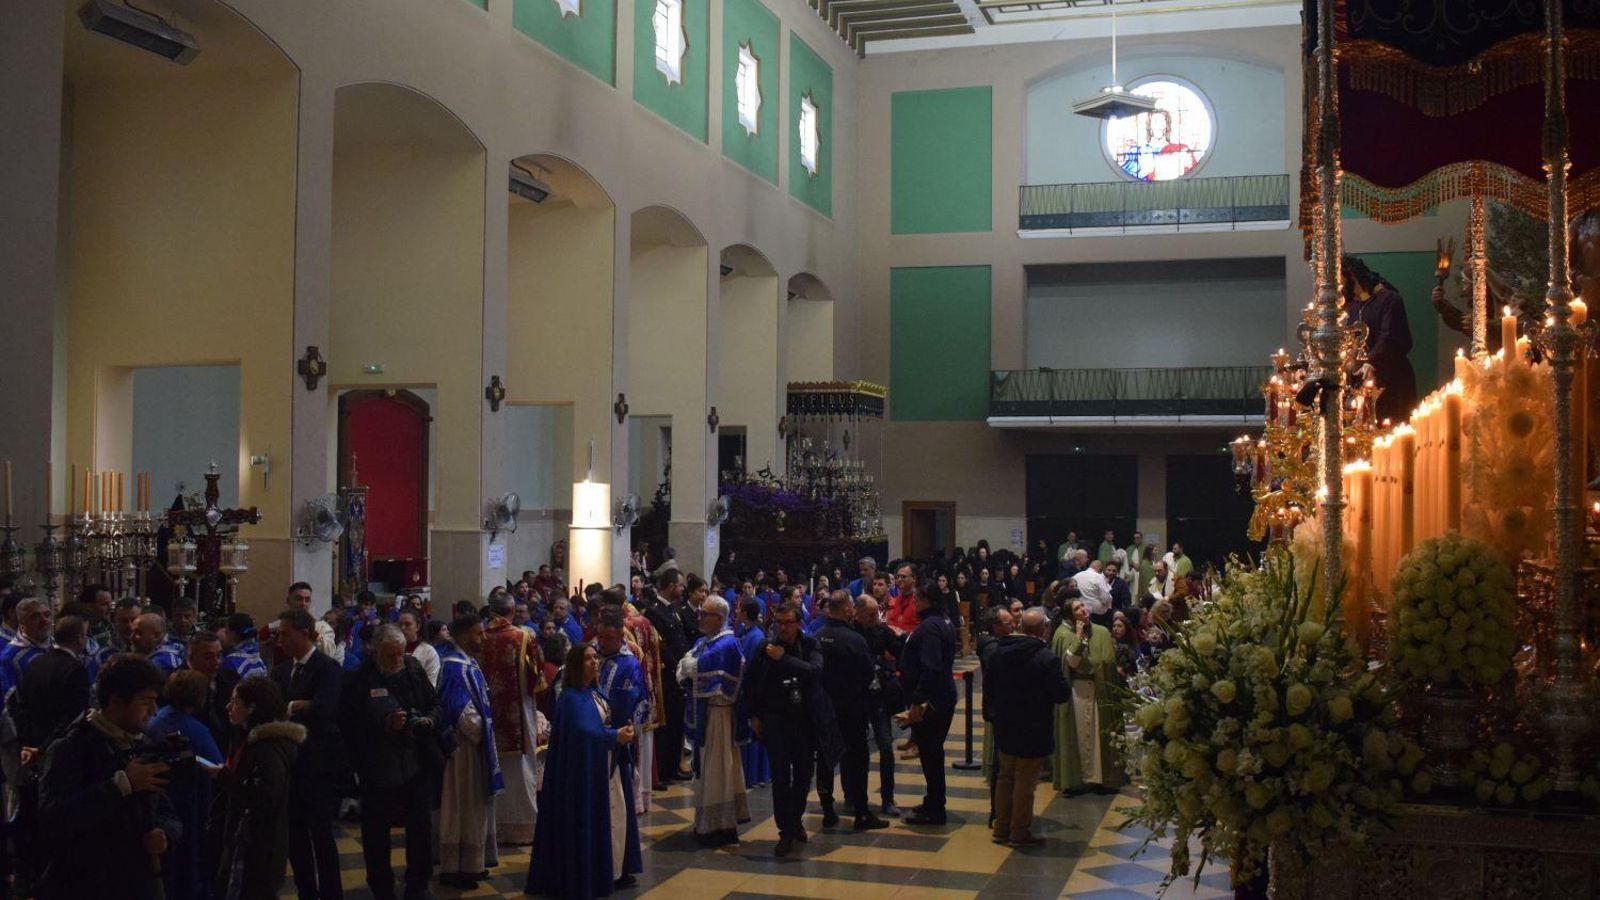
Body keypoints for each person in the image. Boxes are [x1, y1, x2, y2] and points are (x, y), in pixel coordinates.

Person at [36, 654, 180, 900]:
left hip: (138, 883)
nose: (153, 711)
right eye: (146, 701)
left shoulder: (140, 744)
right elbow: (53, 818)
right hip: (85, 885)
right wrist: (119, 786)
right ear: (116, 702)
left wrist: (165, 834)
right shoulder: (71, 748)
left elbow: (164, 810)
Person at [525, 643, 641, 897]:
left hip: (605, 765)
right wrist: (614, 736)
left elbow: (601, 722)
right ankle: (595, 874)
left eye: (595, 658)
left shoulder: (594, 692)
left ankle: (613, 871)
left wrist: (622, 731)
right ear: (576, 665)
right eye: (588, 659)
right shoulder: (570, 698)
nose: (594, 662)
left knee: (616, 817)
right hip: (585, 771)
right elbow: (583, 734)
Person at [340, 624, 441, 900]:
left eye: (400, 654)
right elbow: (348, 727)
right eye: (389, 656)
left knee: (420, 829)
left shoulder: (412, 668)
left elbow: (434, 703)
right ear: (375, 652)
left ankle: (418, 886)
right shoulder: (358, 679)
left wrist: (429, 719)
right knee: (376, 835)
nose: (396, 661)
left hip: (415, 763)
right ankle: (382, 888)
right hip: (377, 769)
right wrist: (384, 725)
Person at [739, 601, 826, 857]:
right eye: (780, 623)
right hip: (776, 720)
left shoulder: (810, 645)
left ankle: (795, 819)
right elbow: (751, 683)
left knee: (802, 775)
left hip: (804, 721)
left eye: (789, 623)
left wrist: (785, 659)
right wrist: (754, 715)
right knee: (779, 776)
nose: (784, 628)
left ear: (799, 623)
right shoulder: (765, 647)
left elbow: (815, 672)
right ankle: (785, 831)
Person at [271, 608, 346, 900]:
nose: (280, 641)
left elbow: (324, 709)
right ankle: (306, 892)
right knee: (296, 837)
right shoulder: (280, 671)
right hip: (291, 766)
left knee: (322, 837)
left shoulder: (328, 668)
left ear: (305, 634)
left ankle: (331, 894)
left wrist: (289, 707)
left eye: (285, 635)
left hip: (319, 766)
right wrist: (299, 704)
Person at [986, 608, 1072, 846]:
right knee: (1025, 781)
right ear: (1043, 629)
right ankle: (1020, 831)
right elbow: (1061, 694)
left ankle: (1001, 827)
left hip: (1005, 723)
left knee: (1005, 777)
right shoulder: (1046, 658)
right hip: (1033, 725)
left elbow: (989, 686)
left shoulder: (999, 652)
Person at [216, 675, 303, 900]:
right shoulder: (246, 739)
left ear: (252, 707)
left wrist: (226, 778)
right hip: (252, 842)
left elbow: (266, 797)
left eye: (235, 702)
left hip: (259, 847)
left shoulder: (267, 749)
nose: (228, 707)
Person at [814, 590, 890, 832]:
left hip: (825, 710)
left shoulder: (817, 636)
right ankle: (861, 811)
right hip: (852, 709)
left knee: (826, 759)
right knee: (858, 758)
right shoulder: (855, 640)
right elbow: (869, 676)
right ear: (847, 610)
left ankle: (827, 809)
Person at [677, 595, 750, 845]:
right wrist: (689, 667)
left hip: (720, 716)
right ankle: (707, 822)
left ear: (719, 618)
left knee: (719, 769)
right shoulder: (704, 641)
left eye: (705, 614)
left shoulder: (727, 644)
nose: (700, 618)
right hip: (705, 713)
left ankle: (721, 824)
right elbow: (683, 668)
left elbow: (694, 668)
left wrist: (690, 668)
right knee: (707, 770)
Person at [436, 614, 502, 890]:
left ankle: (473, 863)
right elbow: (459, 708)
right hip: (462, 748)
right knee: (461, 803)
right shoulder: (453, 667)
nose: (483, 638)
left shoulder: (468, 663)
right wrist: (482, 729)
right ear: (463, 636)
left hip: (474, 747)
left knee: (474, 804)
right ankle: (455, 868)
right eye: (478, 634)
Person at [146, 669, 223, 900]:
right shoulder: (197, 731)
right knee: (189, 867)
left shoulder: (155, 721)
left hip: (159, 806)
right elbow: (218, 767)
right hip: (190, 806)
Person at [480, 592, 546, 847]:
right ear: (511, 612)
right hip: (519, 712)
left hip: (487, 716)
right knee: (521, 768)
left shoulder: (480, 637)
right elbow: (537, 681)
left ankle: (492, 828)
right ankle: (523, 827)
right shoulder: (524, 637)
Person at [898, 578, 957, 826]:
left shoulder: (931, 626)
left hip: (933, 700)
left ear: (928, 601)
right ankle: (933, 800)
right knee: (931, 753)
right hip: (940, 696)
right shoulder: (939, 622)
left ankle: (936, 808)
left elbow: (930, 667)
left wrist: (918, 701)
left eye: (918, 598)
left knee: (931, 753)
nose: (914, 601)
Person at [593, 604, 647, 866]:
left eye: (609, 638)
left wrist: (622, 729)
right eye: (600, 637)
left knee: (617, 803)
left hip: (616, 742)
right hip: (592, 741)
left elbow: (638, 702)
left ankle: (620, 862)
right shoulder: (593, 657)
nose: (602, 642)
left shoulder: (629, 665)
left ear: (620, 636)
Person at [1052, 599, 1123, 796]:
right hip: (1077, 690)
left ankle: (1100, 777)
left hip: (1098, 689)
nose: (1082, 610)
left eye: (1083, 606)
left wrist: (1096, 665)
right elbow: (1072, 661)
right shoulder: (1065, 634)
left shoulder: (1101, 631)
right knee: (1080, 734)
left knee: (1097, 733)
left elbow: (1107, 660)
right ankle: (1078, 779)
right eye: (1077, 608)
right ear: (1069, 615)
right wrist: (1079, 637)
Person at [1343, 254, 1418, 423]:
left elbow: (1390, 336)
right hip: (1361, 381)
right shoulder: (1352, 306)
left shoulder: (1390, 300)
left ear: (1352, 276)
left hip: (1391, 381)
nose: (1341, 289)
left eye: (1342, 283)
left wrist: (1372, 361)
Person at [640, 569, 692, 786]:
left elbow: (681, 640)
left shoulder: (675, 610)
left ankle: (672, 766)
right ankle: (661, 770)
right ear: (671, 586)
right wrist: (679, 666)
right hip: (668, 677)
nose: (682, 589)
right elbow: (661, 647)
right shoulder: (655, 612)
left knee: (677, 724)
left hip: (679, 677)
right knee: (666, 726)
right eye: (680, 585)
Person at [854, 594, 905, 817]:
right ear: (859, 613)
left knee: (885, 745)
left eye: (878, 613)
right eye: (872, 614)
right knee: (854, 748)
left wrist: (903, 638)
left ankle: (888, 798)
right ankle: (853, 796)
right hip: (856, 695)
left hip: (879, 695)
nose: (877, 617)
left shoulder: (880, 630)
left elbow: (899, 651)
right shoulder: (851, 632)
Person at [0, 596, 52, 697]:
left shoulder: (57, 646)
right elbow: (9, 699)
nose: (44, 621)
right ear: (22, 623)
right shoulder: (10, 656)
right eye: (35, 617)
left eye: (47, 615)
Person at [397, 610, 440, 687]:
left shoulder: (428, 651)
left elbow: (431, 684)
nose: (403, 628)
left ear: (417, 627)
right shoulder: (391, 649)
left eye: (407, 624)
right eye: (400, 625)